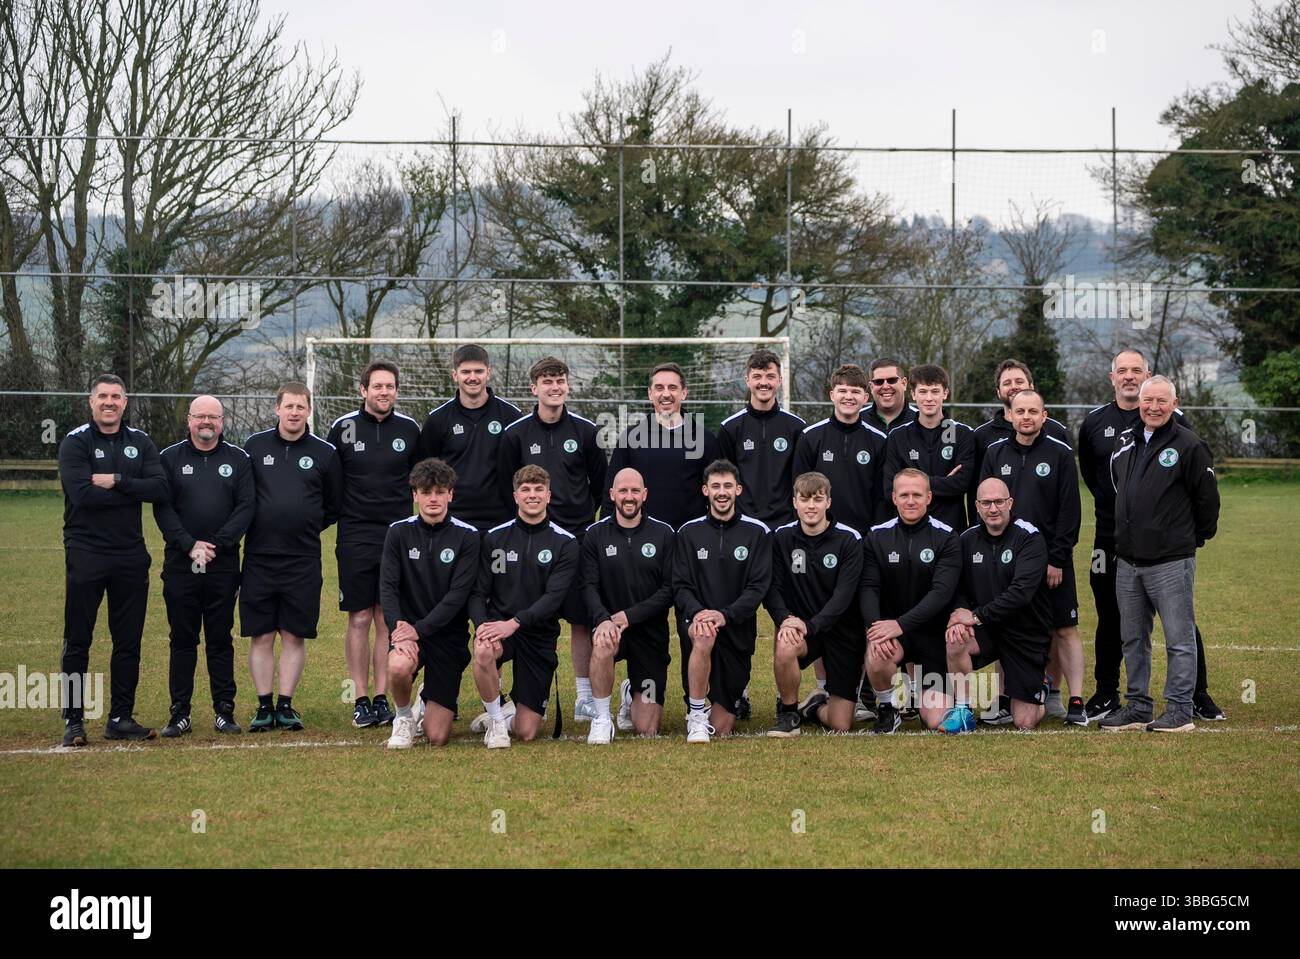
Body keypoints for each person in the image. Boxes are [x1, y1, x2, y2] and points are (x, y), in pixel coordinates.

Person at [1077, 348, 1224, 722]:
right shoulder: (1118, 437)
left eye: (1160, 400)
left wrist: (1193, 536)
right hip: (1122, 551)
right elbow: (1104, 484)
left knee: (1179, 633)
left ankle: (1184, 703)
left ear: (1172, 402)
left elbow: (1206, 497)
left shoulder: (1186, 439)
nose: (1153, 406)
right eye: (1147, 401)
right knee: (1127, 632)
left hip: (1170, 554)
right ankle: (1129, 702)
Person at [57, 373, 168, 745]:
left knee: (128, 641)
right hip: (86, 551)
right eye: (102, 396)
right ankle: (74, 719)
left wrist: (117, 479)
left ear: (125, 402)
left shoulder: (141, 441)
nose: (109, 402)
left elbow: (161, 488)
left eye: (116, 396)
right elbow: (82, 494)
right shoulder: (75, 442)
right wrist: (133, 490)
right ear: (92, 402)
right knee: (78, 638)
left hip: (130, 555)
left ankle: (120, 717)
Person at [499, 356, 606, 724]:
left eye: (560, 380)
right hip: (529, 540)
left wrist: (577, 519)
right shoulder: (515, 434)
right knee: (526, 617)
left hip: (574, 539)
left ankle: (584, 697)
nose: (554, 387)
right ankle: (512, 698)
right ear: (534, 388)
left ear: (568, 385)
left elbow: (599, 486)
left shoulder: (587, 432)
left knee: (579, 619)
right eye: (547, 382)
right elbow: (506, 487)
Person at [979, 389, 1085, 726]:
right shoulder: (995, 453)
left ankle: (1075, 700)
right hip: (1005, 559)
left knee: (1064, 627)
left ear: (1044, 415)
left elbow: (1070, 511)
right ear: (1009, 414)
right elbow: (983, 502)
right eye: (1020, 410)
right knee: (1004, 624)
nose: (1026, 417)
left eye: (1033, 411)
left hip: (1051, 561)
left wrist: (1057, 558)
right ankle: (1005, 699)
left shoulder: (1061, 454)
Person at [240, 382, 342, 732]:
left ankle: (285, 705)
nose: (295, 412)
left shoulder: (326, 452)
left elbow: (333, 505)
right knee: (262, 635)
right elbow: (243, 495)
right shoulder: (254, 446)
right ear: (277, 409)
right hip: (258, 556)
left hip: (302, 558)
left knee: (294, 634)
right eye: (289, 406)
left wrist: (306, 522)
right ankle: (263, 705)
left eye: (301, 407)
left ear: (309, 410)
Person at [326, 361, 422, 729]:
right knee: (360, 617)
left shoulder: (409, 429)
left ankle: (382, 697)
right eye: (378, 386)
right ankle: (359, 698)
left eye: (391, 386)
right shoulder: (344, 427)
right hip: (355, 534)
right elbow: (333, 480)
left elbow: (420, 479)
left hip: (398, 534)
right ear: (363, 390)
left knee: (387, 617)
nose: (384, 392)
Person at [153, 395, 254, 736]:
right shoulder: (169, 458)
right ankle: (179, 712)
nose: (206, 422)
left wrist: (217, 545)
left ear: (222, 421)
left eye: (213, 416)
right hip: (181, 564)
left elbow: (245, 507)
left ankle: (224, 710)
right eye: (200, 417)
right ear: (189, 420)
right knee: (182, 639)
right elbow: (162, 508)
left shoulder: (239, 459)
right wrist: (188, 544)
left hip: (222, 565)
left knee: (219, 639)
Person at [468, 464, 580, 748]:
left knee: (527, 731)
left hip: (538, 633)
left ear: (549, 496)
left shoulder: (565, 542)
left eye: (538, 489)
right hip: (500, 627)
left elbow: (553, 598)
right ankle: (495, 721)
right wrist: (482, 625)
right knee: (483, 649)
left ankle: (506, 715)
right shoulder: (494, 538)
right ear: (515, 496)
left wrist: (515, 622)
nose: (532, 495)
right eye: (526, 490)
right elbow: (478, 592)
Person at [380, 458, 480, 749]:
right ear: (415, 495)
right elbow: (387, 586)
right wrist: (399, 627)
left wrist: (419, 630)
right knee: (398, 666)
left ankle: (426, 698)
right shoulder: (398, 532)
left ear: (451, 494)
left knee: (437, 737)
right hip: (408, 630)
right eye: (426, 492)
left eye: (439, 491)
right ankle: (403, 719)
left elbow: (458, 595)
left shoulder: (468, 536)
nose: (433, 498)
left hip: (448, 637)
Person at [941, 478, 1053, 733]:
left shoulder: (1030, 537)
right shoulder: (967, 539)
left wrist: (977, 616)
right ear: (977, 506)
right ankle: (963, 710)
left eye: (999, 502)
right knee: (955, 639)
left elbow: (1020, 593)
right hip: (988, 629)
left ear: (1010, 503)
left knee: (1025, 721)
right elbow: (957, 588)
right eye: (986, 503)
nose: (993, 509)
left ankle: (1041, 686)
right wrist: (960, 616)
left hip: (1025, 631)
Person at [672, 459, 772, 742]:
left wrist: (725, 615)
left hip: (736, 628)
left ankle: (721, 703)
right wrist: (700, 613)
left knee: (724, 727)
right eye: (715, 486)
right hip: (698, 621)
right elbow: (680, 586)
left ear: (738, 489)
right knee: (703, 636)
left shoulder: (757, 533)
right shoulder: (688, 533)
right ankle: (696, 714)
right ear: (705, 490)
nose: (722, 491)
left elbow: (757, 587)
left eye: (728, 485)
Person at [861, 469, 962, 732]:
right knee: (877, 652)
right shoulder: (876, 536)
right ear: (894, 498)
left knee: (934, 720)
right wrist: (875, 626)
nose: (910, 501)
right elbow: (869, 587)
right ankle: (887, 708)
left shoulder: (947, 537)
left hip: (933, 636)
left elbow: (941, 593)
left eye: (917, 494)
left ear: (929, 497)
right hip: (895, 634)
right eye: (904, 494)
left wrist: (901, 623)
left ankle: (922, 696)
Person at [764, 471, 864, 736]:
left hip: (841, 631)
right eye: (804, 499)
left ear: (828, 503)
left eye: (818, 499)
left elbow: (843, 596)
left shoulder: (849, 540)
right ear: (794, 502)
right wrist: (786, 619)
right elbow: (771, 588)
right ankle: (788, 714)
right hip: (801, 627)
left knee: (841, 724)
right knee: (785, 643)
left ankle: (813, 707)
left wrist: (810, 626)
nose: (811, 506)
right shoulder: (780, 538)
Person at [582, 467, 676, 742]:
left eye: (635, 490)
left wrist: (629, 616)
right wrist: (603, 620)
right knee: (602, 643)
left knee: (646, 728)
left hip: (649, 636)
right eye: (623, 490)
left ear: (645, 494)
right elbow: (587, 585)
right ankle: (601, 718)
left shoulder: (664, 533)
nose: (629, 496)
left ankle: (630, 692)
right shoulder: (595, 535)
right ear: (612, 494)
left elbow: (670, 589)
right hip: (610, 627)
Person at [418, 344, 523, 531]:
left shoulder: (511, 416)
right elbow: (426, 471)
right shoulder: (438, 419)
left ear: (488, 372)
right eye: (466, 371)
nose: (472, 377)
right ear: (455, 375)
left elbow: (521, 468)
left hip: (501, 520)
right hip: (452, 520)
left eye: (478, 371)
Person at [602, 362, 718, 531]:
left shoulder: (705, 439)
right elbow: (610, 492)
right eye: (659, 388)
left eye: (672, 387)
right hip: (642, 539)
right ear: (650, 394)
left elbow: (716, 492)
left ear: (684, 393)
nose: (666, 394)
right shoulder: (631, 438)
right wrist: (607, 534)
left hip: (689, 540)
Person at [793, 364, 889, 535]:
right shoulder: (810, 437)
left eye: (855, 392)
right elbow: (798, 490)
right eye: (842, 391)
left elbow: (881, 497)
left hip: (863, 535)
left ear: (866, 397)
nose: (848, 397)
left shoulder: (879, 440)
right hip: (820, 534)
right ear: (832, 395)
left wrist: (875, 535)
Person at [970, 359, 1070, 521]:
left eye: (1019, 381)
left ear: (1031, 386)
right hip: (1000, 536)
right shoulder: (981, 436)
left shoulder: (1056, 431)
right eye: (1007, 383)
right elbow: (977, 491)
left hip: (1047, 537)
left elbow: (1067, 497)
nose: (1013, 386)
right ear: (998, 391)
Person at [717, 348, 805, 530]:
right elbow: (724, 479)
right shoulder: (730, 428)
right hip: (743, 524)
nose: (763, 383)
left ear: (780, 380)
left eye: (770, 376)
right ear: (747, 381)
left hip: (786, 524)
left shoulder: (797, 427)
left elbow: (801, 479)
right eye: (757, 376)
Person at [883, 363, 975, 532]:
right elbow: (890, 490)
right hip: (908, 532)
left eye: (935, 391)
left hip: (951, 530)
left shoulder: (962, 433)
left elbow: (962, 484)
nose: (929, 398)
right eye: (923, 391)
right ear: (913, 394)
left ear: (945, 394)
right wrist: (944, 482)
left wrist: (910, 484)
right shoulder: (898, 437)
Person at [860, 357, 917, 435]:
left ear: (904, 383)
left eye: (892, 380)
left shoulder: (921, 421)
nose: (885, 386)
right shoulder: (857, 420)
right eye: (878, 381)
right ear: (871, 387)